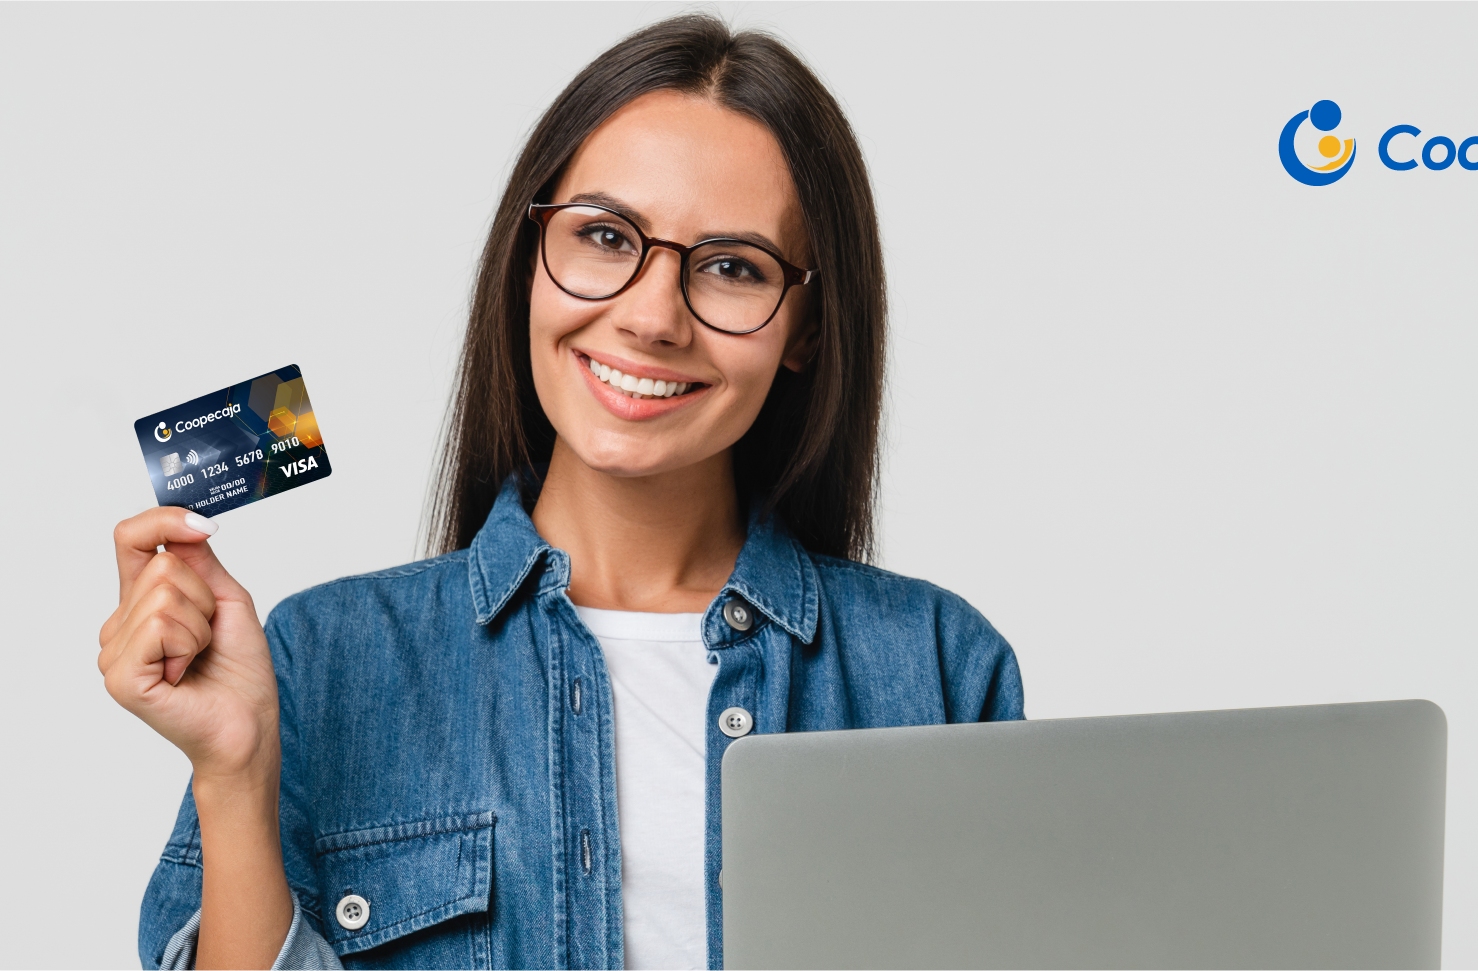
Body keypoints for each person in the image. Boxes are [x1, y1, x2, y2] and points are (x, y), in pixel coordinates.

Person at [98, 14, 1023, 970]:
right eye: (605, 236)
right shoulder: (324, 658)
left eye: (734, 267)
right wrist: (235, 771)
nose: (652, 316)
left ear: (807, 332)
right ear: (527, 261)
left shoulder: (938, 668)